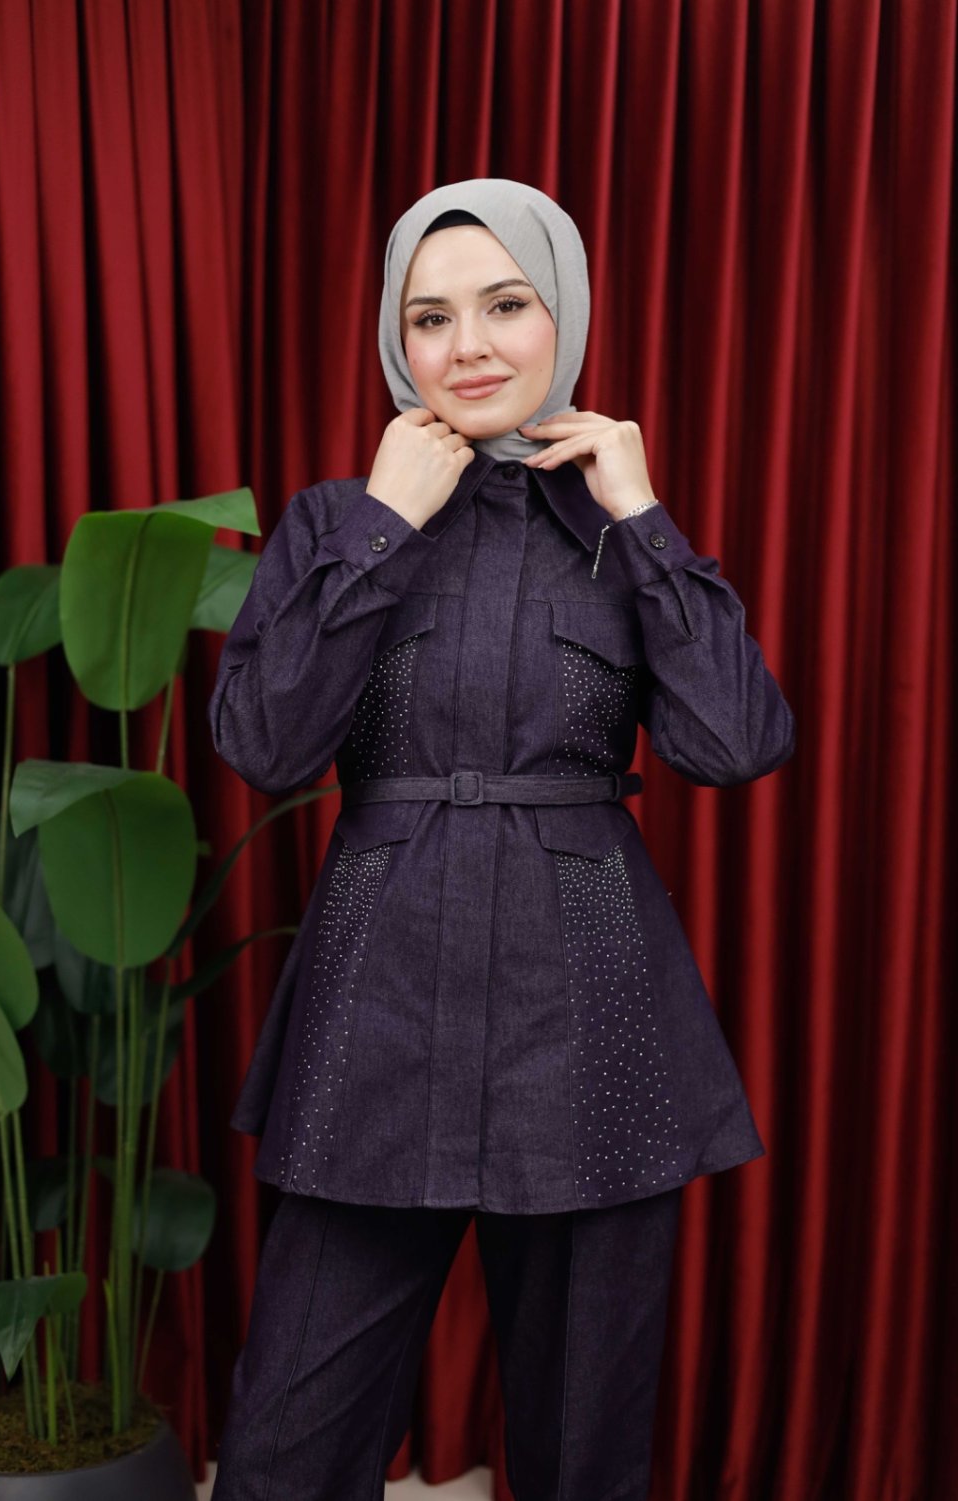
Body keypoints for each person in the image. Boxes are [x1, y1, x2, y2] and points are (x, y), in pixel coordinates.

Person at [207, 178, 796, 1501]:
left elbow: (735, 742)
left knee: (586, 1454)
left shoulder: (619, 529)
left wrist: (643, 516)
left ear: (562, 317)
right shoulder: (333, 519)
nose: (467, 345)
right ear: (396, 340)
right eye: (430, 318)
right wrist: (384, 522)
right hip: (377, 1018)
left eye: (506, 305)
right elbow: (262, 743)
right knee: (284, 1451)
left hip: (589, 1027)